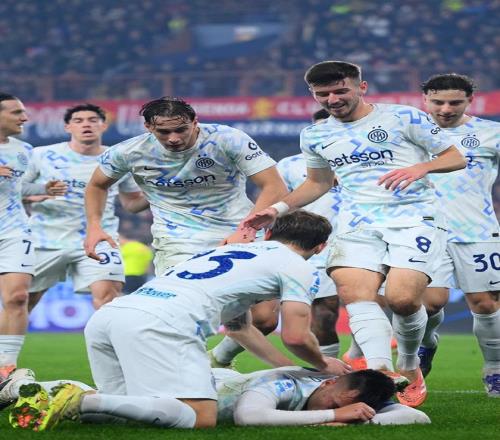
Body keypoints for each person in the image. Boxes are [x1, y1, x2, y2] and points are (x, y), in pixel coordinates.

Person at [242, 61, 467, 407]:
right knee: (354, 294)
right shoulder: (315, 135)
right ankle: (379, 370)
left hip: (414, 218)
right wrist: (277, 209)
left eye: (340, 90)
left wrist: (421, 167)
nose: (332, 99)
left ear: (361, 87)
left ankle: (409, 363)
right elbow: (317, 182)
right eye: (323, 94)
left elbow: (455, 157)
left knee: (403, 300)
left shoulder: (403, 117)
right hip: (357, 221)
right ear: (313, 94)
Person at [8, 210, 350, 431]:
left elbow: (239, 328)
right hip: (162, 323)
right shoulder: (299, 267)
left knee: (125, 414)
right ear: (320, 248)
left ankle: (23, 389)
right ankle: (81, 398)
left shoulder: (227, 250)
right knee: (200, 417)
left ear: (269, 234)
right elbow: (295, 335)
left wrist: (289, 368)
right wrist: (322, 364)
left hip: (112, 316)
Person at [84, 96, 288, 345]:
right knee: (184, 315)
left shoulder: (227, 138)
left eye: (181, 129)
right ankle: (190, 366)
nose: (173, 138)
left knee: (265, 320)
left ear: (195, 121)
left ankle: (220, 358)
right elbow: (97, 185)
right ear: (148, 127)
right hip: (178, 239)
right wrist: (94, 226)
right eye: (164, 132)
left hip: (238, 230)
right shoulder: (129, 151)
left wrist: (246, 229)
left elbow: (275, 186)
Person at [208, 108, 341, 369]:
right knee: (268, 319)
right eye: (319, 127)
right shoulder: (290, 165)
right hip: (301, 243)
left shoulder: (361, 162)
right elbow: (275, 202)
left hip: (343, 243)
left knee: (336, 311)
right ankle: (220, 357)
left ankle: (340, 369)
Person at [3, 366, 430, 430]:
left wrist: (366, 414)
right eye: (337, 401)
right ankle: (66, 396)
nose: (335, 407)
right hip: (185, 386)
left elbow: (419, 419)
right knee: (183, 416)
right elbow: (249, 417)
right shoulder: (290, 385)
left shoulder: (337, 391)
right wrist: (332, 418)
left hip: (205, 382)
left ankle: (21, 388)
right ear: (335, 385)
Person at [418, 74, 500, 397]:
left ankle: (494, 369)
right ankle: (426, 343)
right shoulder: (411, 131)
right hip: (426, 230)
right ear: (425, 100)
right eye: (438, 102)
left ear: (470, 101)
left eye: (455, 102)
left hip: (478, 229)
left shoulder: (491, 133)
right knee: (429, 304)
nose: (446, 108)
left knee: (485, 304)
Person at [22, 103, 146, 311]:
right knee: (20, 301)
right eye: (78, 121)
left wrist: (156, 193)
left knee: (108, 299)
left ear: (103, 126)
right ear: (67, 127)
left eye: (92, 120)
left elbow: (132, 205)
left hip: (99, 239)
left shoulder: (117, 159)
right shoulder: (41, 155)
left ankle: (108, 334)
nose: (86, 125)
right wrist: (35, 194)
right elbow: (12, 191)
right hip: (45, 239)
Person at [0, 93, 66, 382]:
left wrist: (43, 189)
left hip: (14, 230)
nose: (24, 118)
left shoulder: (24, 150)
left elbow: (16, 188)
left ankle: (6, 368)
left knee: (17, 297)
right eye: (16, 112)